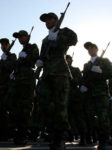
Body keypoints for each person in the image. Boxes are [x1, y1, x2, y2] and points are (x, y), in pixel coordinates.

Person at [36, 12, 77, 150]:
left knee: (60, 105)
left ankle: (60, 138)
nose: (47, 22)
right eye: (45, 20)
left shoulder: (64, 31)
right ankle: (51, 132)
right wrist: (40, 61)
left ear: (56, 20)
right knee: (45, 104)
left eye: (49, 19)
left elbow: (74, 40)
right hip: (47, 75)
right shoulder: (45, 40)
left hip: (60, 73)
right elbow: (43, 55)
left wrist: (59, 37)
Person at [5, 30, 39, 145]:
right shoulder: (22, 51)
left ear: (27, 36)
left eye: (22, 37)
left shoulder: (32, 47)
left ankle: (23, 134)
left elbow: (35, 60)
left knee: (26, 107)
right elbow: (18, 65)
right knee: (17, 107)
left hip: (27, 80)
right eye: (18, 37)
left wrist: (26, 57)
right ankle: (17, 132)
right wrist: (14, 72)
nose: (20, 39)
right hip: (19, 81)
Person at [80, 42, 112, 150]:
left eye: (92, 48)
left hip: (101, 94)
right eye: (88, 49)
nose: (90, 50)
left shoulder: (104, 61)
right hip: (89, 95)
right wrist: (83, 85)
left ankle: (104, 141)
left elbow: (110, 73)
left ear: (96, 49)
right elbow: (84, 78)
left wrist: (101, 72)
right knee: (90, 118)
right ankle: (93, 137)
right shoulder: (86, 65)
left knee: (103, 118)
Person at [0, 38, 17, 140]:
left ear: (9, 45)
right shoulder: (2, 58)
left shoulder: (12, 56)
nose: (3, 46)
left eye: (5, 44)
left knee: (3, 109)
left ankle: (5, 133)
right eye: (2, 45)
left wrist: (5, 61)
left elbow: (11, 67)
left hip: (6, 85)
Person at [66, 55, 87, 145]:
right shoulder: (61, 69)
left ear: (71, 60)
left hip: (74, 96)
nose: (67, 60)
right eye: (66, 59)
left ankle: (83, 137)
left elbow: (80, 80)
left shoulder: (75, 70)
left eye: (69, 59)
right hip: (64, 96)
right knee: (66, 117)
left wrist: (73, 80)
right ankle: (69, 135)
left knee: (79, 117)